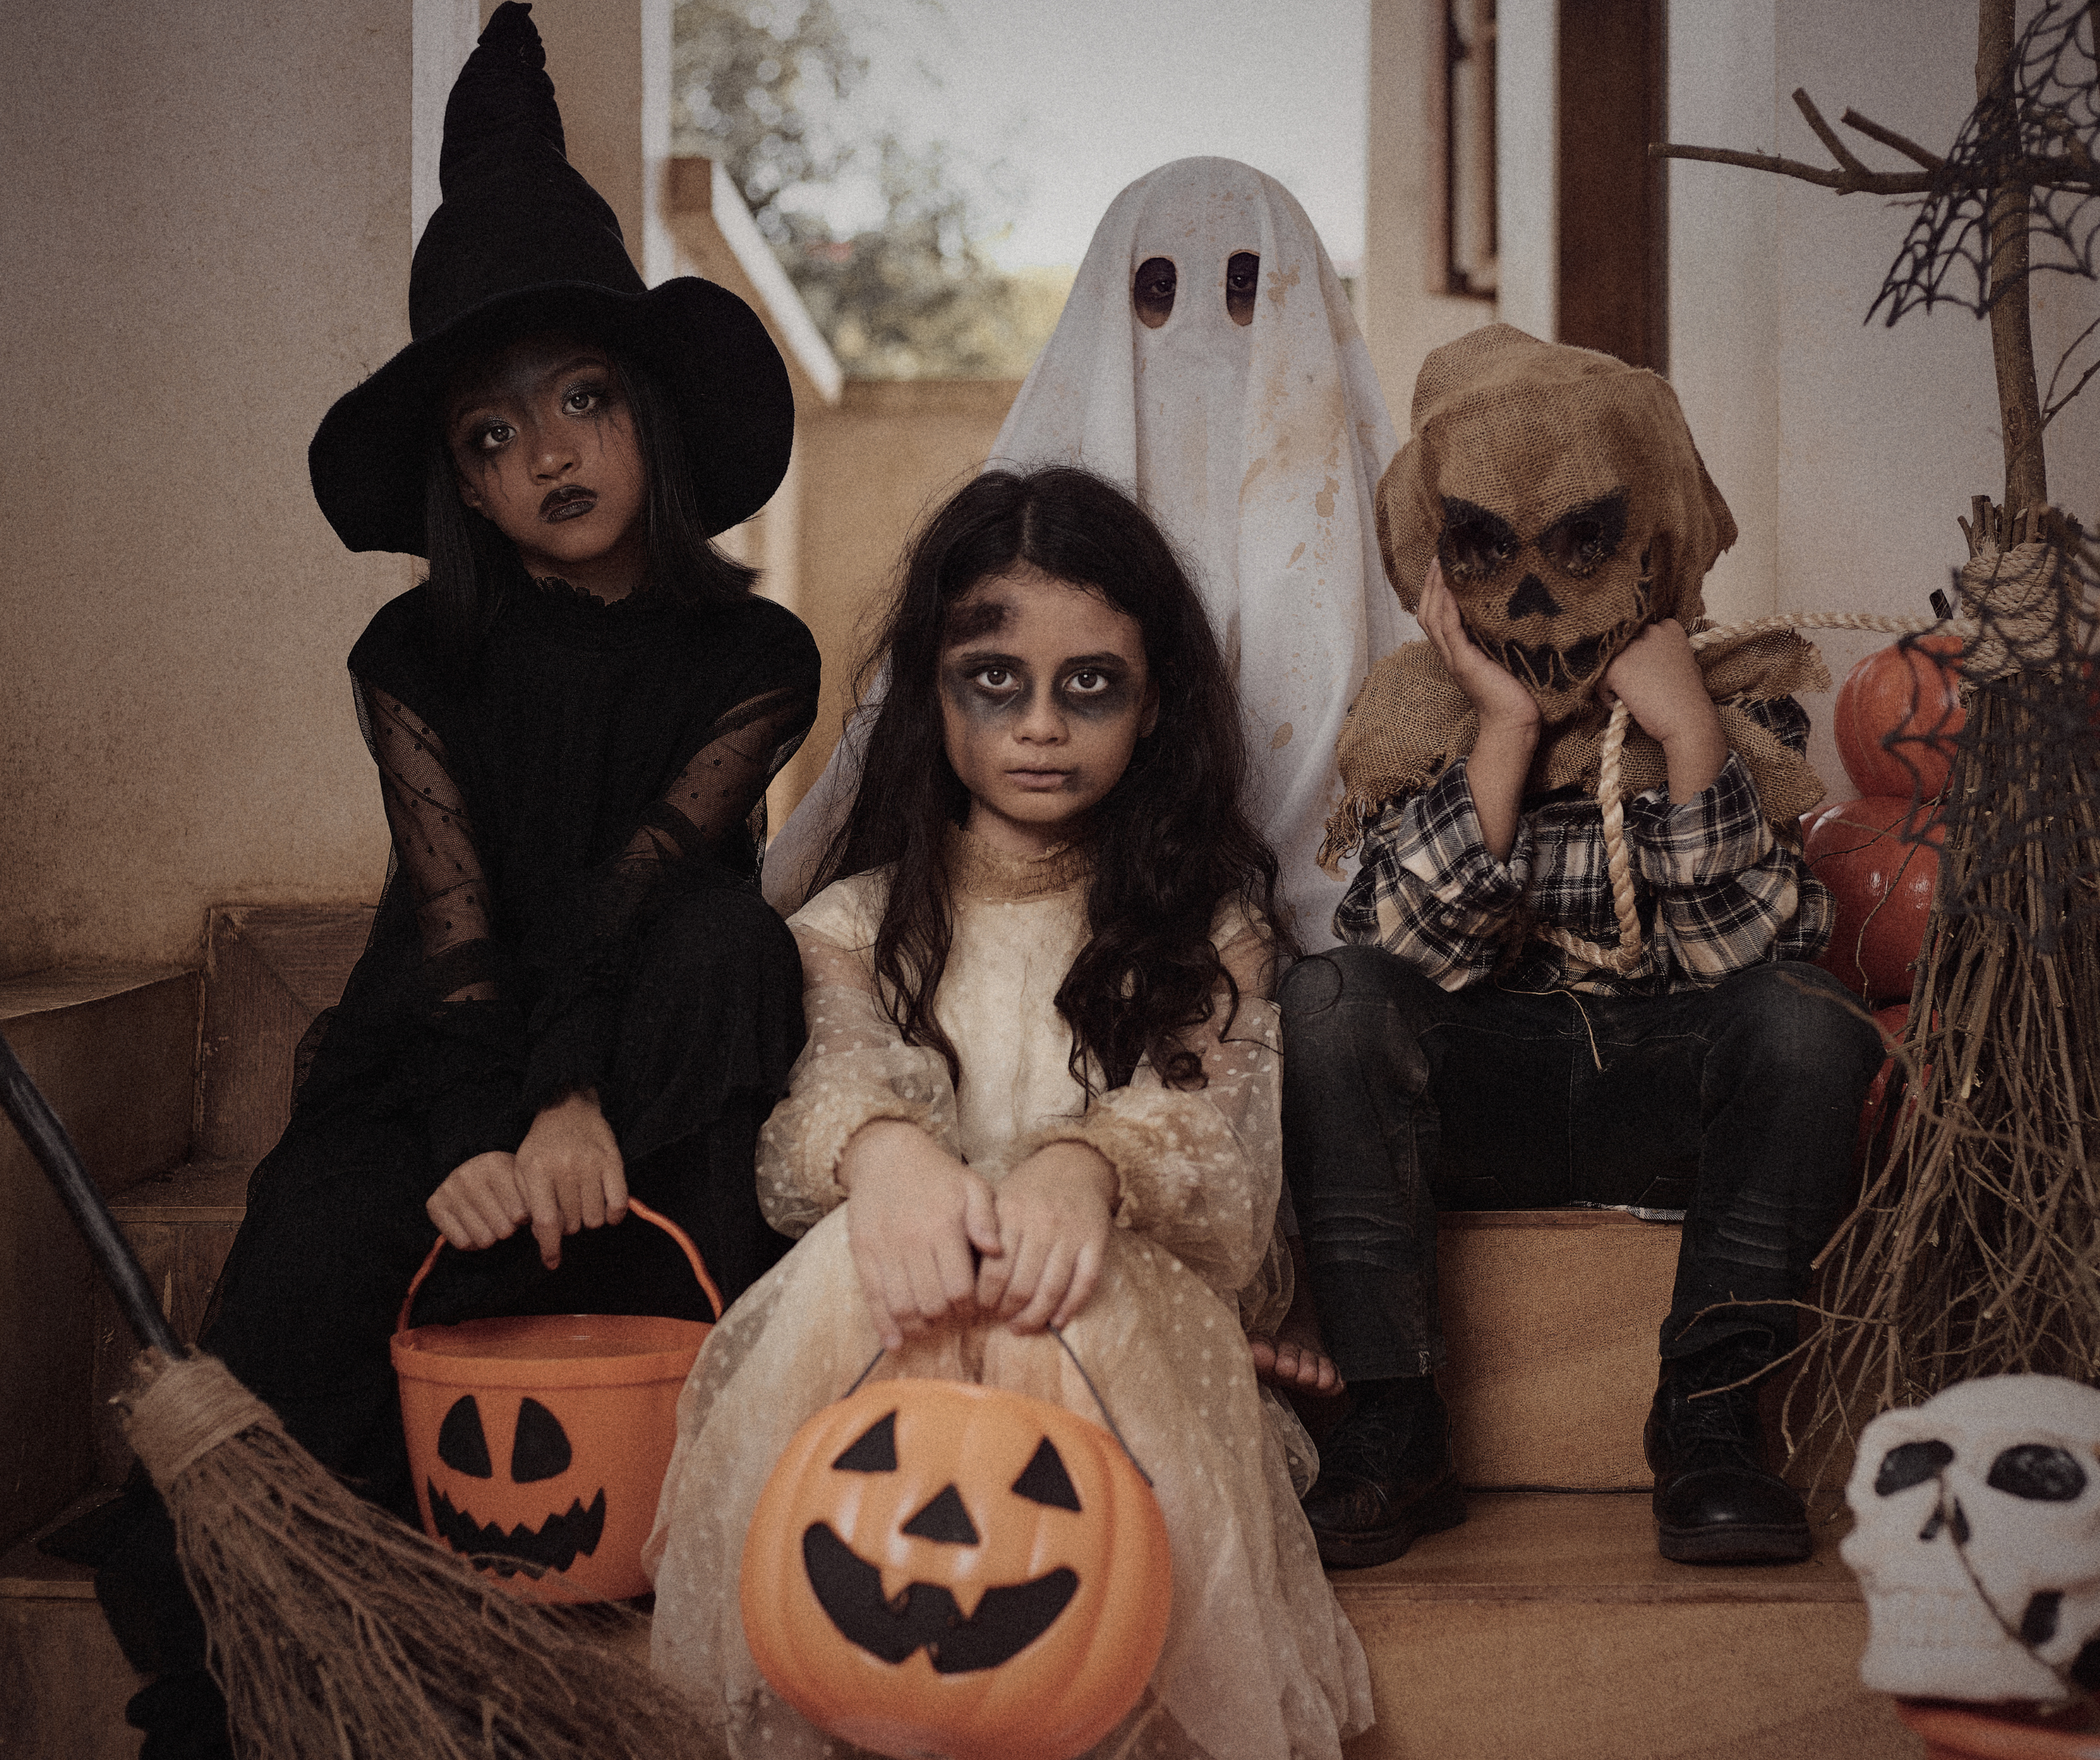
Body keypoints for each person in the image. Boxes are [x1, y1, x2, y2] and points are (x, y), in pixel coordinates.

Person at [89, 11, 817, 1755]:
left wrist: (572, 1107)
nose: (546, 455)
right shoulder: (410, 656)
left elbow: (633, 901)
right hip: (441, 1048)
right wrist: (482, 1139)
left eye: (578, 399)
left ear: (645, 409)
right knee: (311, 1291)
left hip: (642, 1044)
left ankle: (669, 1405)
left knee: (730, 944)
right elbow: (461, 920)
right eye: (489, 437)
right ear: (460, 488)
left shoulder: (755, 654)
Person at [647, 465, 1373, 1760]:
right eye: (996, 681)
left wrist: (1087, 1167)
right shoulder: (850, 927)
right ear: (933, 692)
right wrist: (883, 1160)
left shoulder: (1206, 931)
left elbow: (1211, 1129)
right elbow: (835, 1079)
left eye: (1089, 684)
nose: (1041, 724)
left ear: (1154, 708)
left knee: (1064, 1306)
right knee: (855, 1282)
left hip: (1102, 1294)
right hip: (897, 1291)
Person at [1282, 324, 1885, 1570]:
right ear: (1436, 563)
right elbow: (1403, 948)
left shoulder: (1740, 702)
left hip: (1661, 1095)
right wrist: (1501, 730)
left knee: (1811, 1022)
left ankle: (1710, 1419)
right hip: (1475, 1103)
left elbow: (1752, 960)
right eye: (1488, 548)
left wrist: (1694, 743)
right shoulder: (1411, 719)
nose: (1538, 594)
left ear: (1652, 541)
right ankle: (1393, 1419)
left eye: (1583, 541)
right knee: (1333, 997)